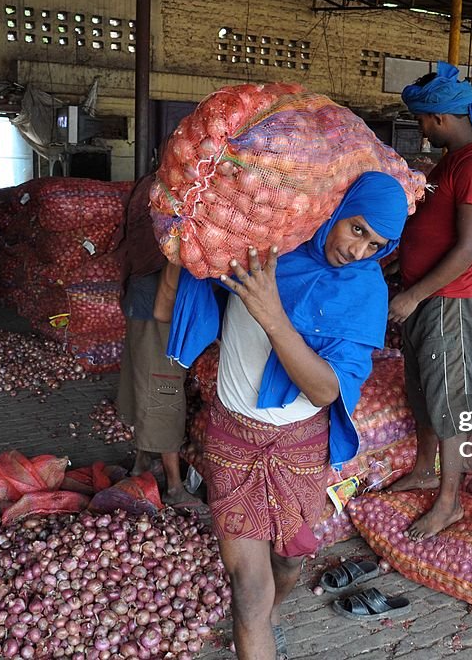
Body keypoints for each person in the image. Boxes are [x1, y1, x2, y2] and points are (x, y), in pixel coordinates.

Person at [160, 172, 408, 660]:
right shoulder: (269, 249)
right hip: (232, 438)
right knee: (248, 589)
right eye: (356, 229)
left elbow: (323, 390)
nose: (359, 251)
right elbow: (197, 255)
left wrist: (271, 313)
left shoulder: (364, 292)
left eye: (375, 244)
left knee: (289, 560)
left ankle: (272, 613)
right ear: (337, 209)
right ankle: (258, 623)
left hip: (299, 446)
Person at [387, 62, 472, 541]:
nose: (421, 129)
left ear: (439, 118)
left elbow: (467, 248)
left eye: (421, 121)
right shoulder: (449, 161)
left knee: (449, 402)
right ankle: (425, 470)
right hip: (421, 298)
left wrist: (416, 293)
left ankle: (450, 502)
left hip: (445, 301)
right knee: (422, 392)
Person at [113, 172, 208, 516]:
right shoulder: (175, 196)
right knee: (164, 386)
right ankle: (174, 486)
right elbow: (174, 258)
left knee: (143, 378)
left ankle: (142, 462)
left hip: (142, 299)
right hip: (159, 307)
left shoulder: (148, 185)